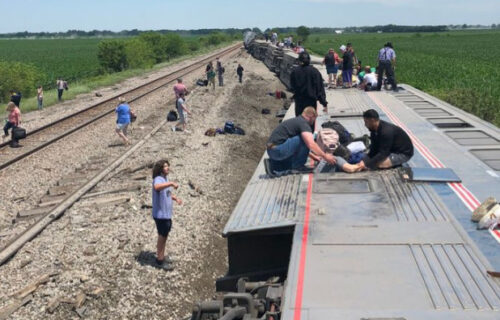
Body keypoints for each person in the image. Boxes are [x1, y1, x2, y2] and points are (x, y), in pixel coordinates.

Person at [266, 107, 336, 174]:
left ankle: (274, 165)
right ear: (311, 116)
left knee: (302, 141)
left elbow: (300, 146)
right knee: (305, 138)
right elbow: (310, 144)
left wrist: (314, 157)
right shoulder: (303, 123)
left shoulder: (297, 121)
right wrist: (325, 156)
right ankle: (298, 167)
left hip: (273, 151)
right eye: (315, 118)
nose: (314, 121)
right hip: (278, 150)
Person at [151, 159, 182, 271]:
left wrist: (175, 198)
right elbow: (157, 187)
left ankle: (162, 256)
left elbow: (166, 192)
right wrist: (171, 183)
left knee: (165, 235)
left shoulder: (165, 178)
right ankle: (159, 260)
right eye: (165, 166)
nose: (167, 168)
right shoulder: (158, 179)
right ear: (160, 169)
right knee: (162, 236)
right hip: (160, 215)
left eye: (168, 166)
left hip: (166, 214)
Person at [290, 51, 328, 116]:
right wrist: (324, 103)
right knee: (310, 121)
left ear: (299, 60)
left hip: (299, 101)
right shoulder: (314, 71)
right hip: (311, 102)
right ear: (309, 60)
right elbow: (319, 89)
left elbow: (292, 86)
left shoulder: (295, 72)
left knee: (300, 122)